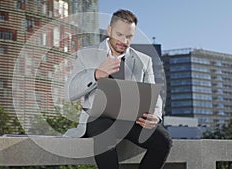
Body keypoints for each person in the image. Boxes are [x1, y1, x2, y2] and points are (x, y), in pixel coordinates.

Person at [64, 9, 172, 169]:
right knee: (104, 133)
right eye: (119, 34)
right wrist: (96, 74)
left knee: (163, 141)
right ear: (109, 30)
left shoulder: (144, 60)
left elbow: (154, 95)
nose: (124, 40)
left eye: (129, 36)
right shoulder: (86, 55)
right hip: (97, 118)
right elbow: (69, 92)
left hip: (131, 120)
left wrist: (155, 115)